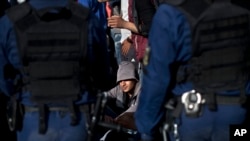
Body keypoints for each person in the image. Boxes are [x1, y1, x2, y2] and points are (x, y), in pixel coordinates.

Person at [135, 0, 250, 141]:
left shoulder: (171, 13)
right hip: (239, 114)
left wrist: (146, 130)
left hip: (193, 117)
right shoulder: (243, 8)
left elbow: (156, 81)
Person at [0, 0, 112, 141]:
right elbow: (103, 77)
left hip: (32, 119)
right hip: (78, 118)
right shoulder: (86, 19)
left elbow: (5, 82)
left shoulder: (11, 22)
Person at [99, 61, 141, 141]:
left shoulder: (142, 90)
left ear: (134, 78)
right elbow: (106, 96)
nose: (123, 84)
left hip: (136, 126)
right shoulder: (119, 89)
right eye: (120, 81)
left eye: (126, 79)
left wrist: (120, 118)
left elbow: (137, 106)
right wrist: (101, 113)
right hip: (119, 121)